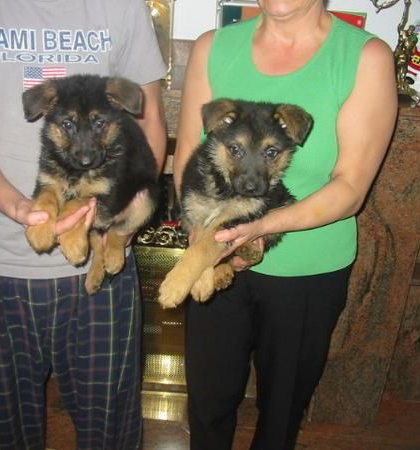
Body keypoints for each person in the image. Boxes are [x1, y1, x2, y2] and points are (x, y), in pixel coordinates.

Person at [0, 0, 167, 449]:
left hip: (101, 271)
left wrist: (112, 224)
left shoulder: (121, 7)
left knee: (110, 436)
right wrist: (20, 207)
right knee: (0, 436)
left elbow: (149, 127)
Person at [173, 1, 397, 449]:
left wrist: (256, 228)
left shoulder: (364, 57)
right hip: (214, 252)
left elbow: (351, 186)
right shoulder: (213, 48)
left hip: (307, 270)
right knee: (207, 403)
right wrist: (206, 240)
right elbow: (188, 159)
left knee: (281, 413)